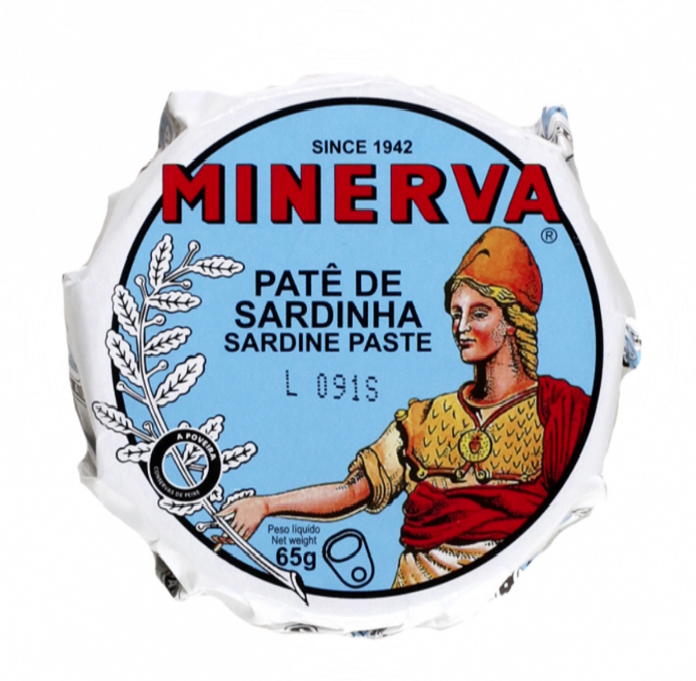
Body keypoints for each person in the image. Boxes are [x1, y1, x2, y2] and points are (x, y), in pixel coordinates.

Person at [217, 227, 590, 587]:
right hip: (415, 588)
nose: (460, 326)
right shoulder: (424, 420)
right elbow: (352, 491)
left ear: (512, 322)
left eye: (479, 313)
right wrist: (266, 505)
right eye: (455, 313)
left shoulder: (561, 413)